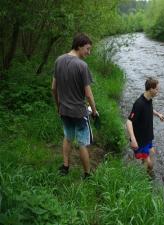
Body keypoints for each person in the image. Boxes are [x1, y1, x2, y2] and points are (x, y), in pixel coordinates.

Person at [51, 33, 98, 179]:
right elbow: (89, 95)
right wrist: (94, 111)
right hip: (79, 112)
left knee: (68, 137)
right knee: (83, 143)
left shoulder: (58, 60)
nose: (88, 53)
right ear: (79, 46)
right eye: (87, 49)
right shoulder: (82, 66)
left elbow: (53, 88)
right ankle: (87, 174)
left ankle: (65, 167)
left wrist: (58, 106)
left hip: (64, 110)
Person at [126, 78, 164, 175]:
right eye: (156, 89)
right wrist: (133, 140)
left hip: (147, 137)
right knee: (150, 165)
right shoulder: (139, 104)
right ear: (151, 89)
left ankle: (144, 172)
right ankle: (146, 180)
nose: (157, 92)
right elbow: (129, 121)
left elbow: (149, 109)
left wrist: (158, 114)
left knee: (152, 154)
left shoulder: (149, 99)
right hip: (140, 140)